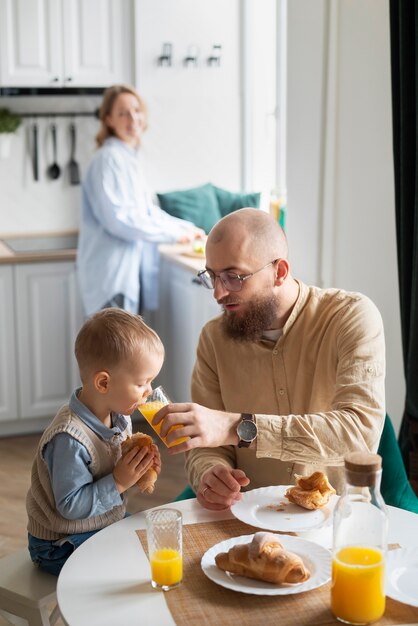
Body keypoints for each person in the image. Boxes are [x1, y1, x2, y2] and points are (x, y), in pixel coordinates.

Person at [153, 208, 386, 510]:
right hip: (246, 520)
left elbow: (360, 434)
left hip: (337, 519)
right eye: (212, 276)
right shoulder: (213, 339)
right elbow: (207, 447)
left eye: (234, 277)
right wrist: (210, 474)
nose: (219, 293)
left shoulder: (350, 317)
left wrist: (239, 428)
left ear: (280, 272)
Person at [26, 308, 164, 575]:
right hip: (58, 543)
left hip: (100, 523)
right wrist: (120, 480)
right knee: (131, 565)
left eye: (151, 381)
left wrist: (138, 470)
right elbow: (70, 507)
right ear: (103, 383)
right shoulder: (69, 438)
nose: (149, 391)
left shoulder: (117, 418)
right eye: (142, 383)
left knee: (149, 539)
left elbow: (110, 478)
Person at [77, 84, 204, 316]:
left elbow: (147, 212)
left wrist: (185, 228)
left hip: (123, 276)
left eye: (136, 110)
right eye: (123, 113)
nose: (133, 118)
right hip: (110, 277)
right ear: (108, 120)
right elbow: (119, 220)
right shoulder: (108, 160)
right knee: (115, 351)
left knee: (125, 350)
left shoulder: (128, 159)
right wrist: (174, 235)